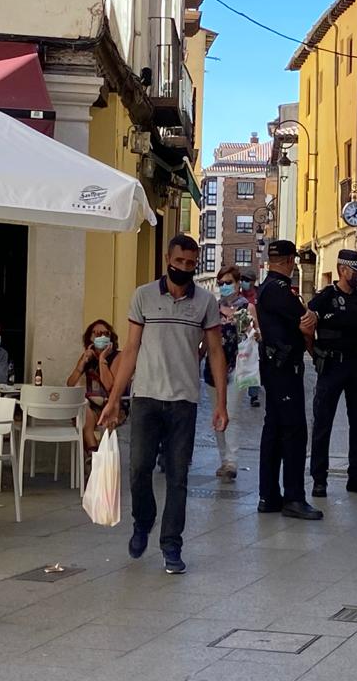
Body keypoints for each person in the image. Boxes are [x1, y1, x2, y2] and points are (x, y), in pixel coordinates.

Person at [99, 234, 229, 575]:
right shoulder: (143, 296)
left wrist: (221, 403)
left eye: (191, 263)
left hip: (184, 400)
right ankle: (143, 521)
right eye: (180, 262)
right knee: (139, 468)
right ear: (167, 260)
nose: (185, 268)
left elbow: (215, 352)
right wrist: (114, 400)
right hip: (145, 398)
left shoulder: (205, 302)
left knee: (178, 476)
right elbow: (130, 350)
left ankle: (172, 544)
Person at [254, 240, 323, 520]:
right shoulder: (279, 289)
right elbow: (305, 319)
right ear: (289, 260)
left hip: (276, 368)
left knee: (274, 430)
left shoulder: (267, 287)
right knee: (294, 432)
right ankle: (293, 496)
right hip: (284, 369)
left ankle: (269, 495)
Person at [309, 249, 357, 498]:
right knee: (323, 424)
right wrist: (314, 353)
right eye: (356, 271)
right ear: (342, 270)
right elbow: (306, 325)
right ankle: (319, 480)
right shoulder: (326, 297)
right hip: (332, 366)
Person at [204, 265, 252, 482]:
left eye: (228, 282)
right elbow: (205, 338)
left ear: (237, 283)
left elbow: (252, 336)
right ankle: (223, 458)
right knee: (217, 413)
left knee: (231, 412)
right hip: (213, 370)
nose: (224, 287)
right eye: (221, 283)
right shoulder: (212, 308)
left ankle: (232, 460)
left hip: (236, 367)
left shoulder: (246, 308)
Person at [66, 319, 123, 451]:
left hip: (113, 406)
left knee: (85, 418)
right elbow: (70, 383)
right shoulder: (87, 357)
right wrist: (82, 364)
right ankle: (93, 453)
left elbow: (109, 385)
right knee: (83, 409)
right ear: (90, 338)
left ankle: (92, 456)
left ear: (110, 338)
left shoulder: (117, 357)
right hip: (92, 408)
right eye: (96, 334)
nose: (101, 336)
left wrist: (102, 359)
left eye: (105, 333)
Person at [239, 271, 261, 407]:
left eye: (247, 279)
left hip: (256, 333)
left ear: (253, 281)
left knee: (254, 364)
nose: (244, 282)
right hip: (241, 333)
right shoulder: (238, 296)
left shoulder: (259, 294)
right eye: (243, 279)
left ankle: (254, 395)